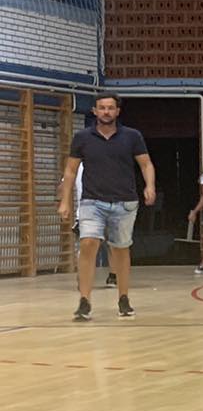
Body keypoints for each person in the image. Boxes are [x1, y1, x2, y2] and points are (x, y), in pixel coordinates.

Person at [56, 92, 155, 321]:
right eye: (102, 108)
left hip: (124, 201)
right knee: (88, 243)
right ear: (94, 111)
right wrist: (65, 201)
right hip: (92, 201)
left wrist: (149, 185)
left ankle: (123, 297)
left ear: (117, 111)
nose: (106, 112)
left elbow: (146, 164)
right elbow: (70, 171)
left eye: (110, 108)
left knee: (120, 249)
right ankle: (84, 300)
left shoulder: (132, 136)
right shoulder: (82, 137)